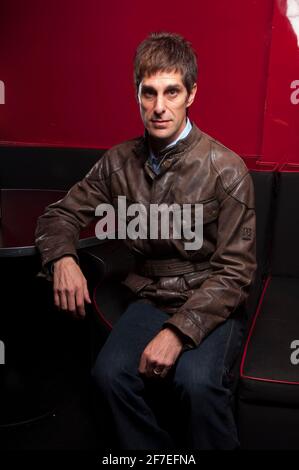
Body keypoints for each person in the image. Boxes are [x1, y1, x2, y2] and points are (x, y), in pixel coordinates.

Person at [35, 32, 256, 450]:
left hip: (212, 299)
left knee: (197, 384)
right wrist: (62, 258)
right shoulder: (118, 162)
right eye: (148, 93)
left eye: (171, 92)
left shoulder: (227, 170)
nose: (159, 107)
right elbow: (59, 215)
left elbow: (236, 272)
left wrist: (177, 333)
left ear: (191, 93)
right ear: (136, 94)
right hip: (150, 294)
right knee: (108, 376)